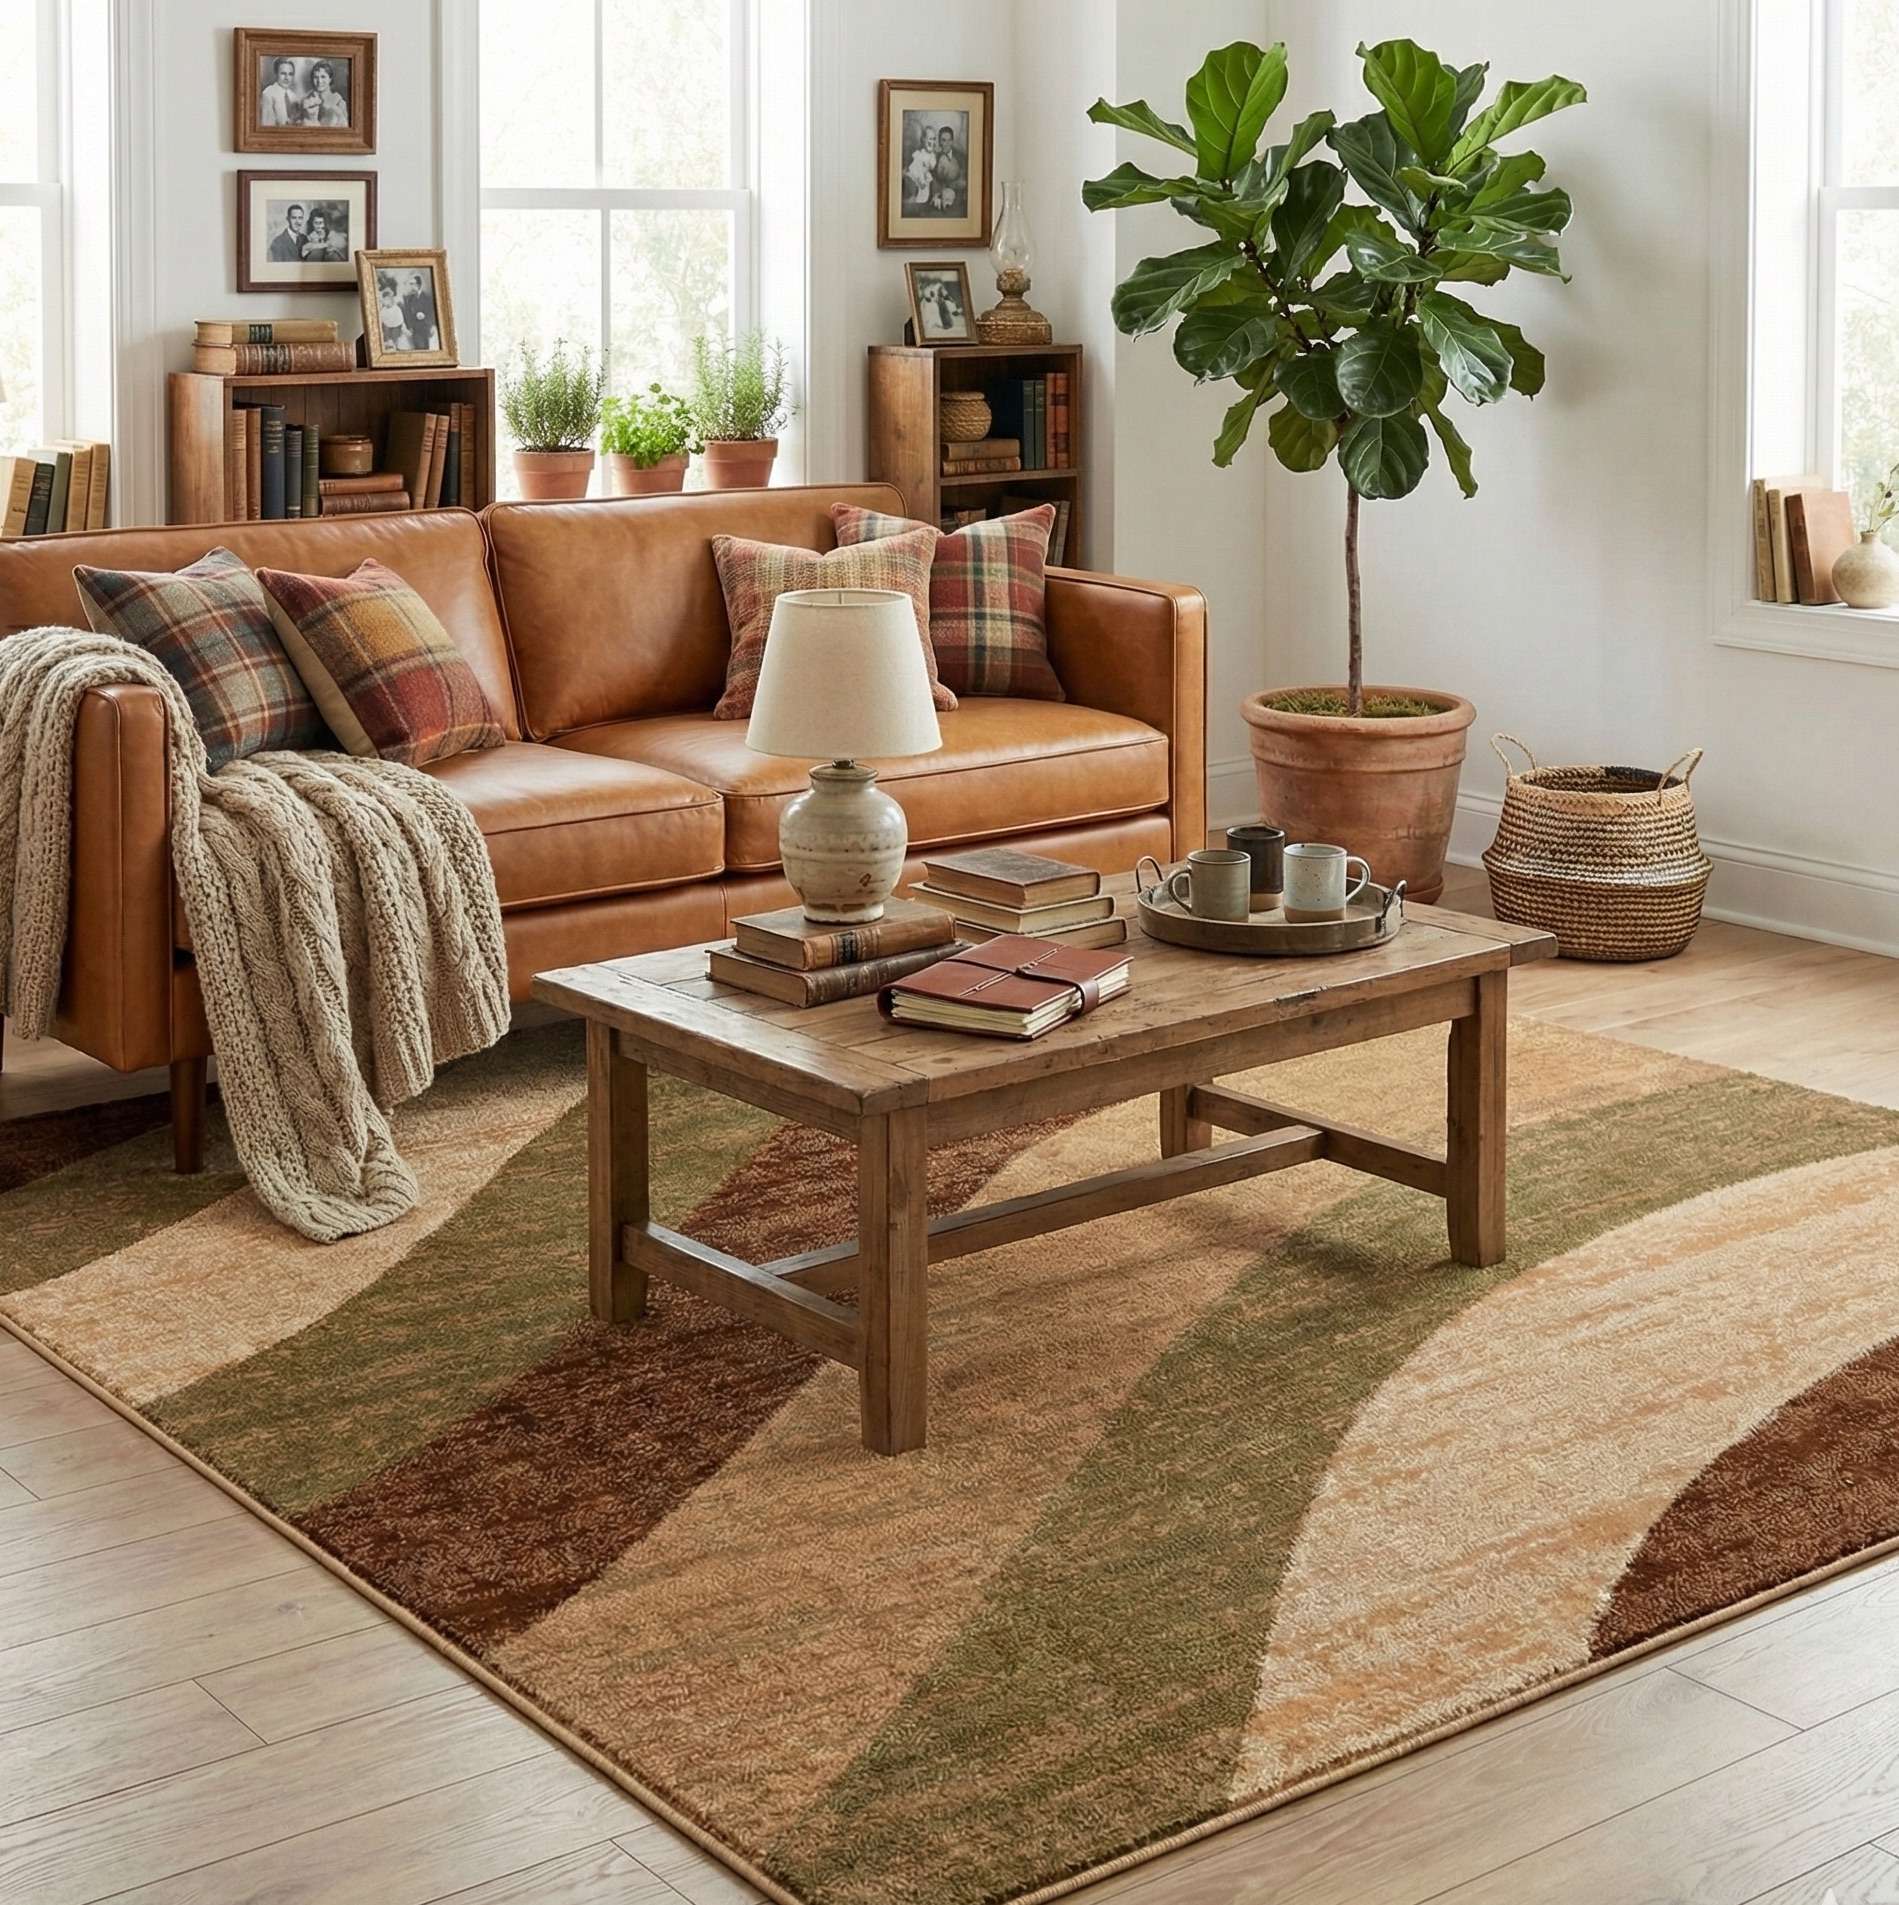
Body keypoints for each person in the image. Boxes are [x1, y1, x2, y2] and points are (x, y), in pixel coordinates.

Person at [401, 271, 439, 351]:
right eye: (410, 284)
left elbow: (432, 313)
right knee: (419, 349)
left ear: (418, 285)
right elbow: (407, 314)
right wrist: (410, 327)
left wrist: (431, 325)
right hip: (415, 330)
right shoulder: (409, 299)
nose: (411, 286)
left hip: (426, 328)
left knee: (426, 349)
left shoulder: (427, 298)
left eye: (412, 284)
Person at [931, 124, 964, 214]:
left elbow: (963, 181)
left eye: (949, 140)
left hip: (958, 198)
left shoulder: (961, 157)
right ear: (939, 142)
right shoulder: (935, 157)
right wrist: (937, 194)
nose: (946, 144)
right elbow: (934, 179)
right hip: (939, 198)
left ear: (952, 141)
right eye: (943, 140)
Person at [906, 125, 939, 207]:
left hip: (925, 179)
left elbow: (932, 168)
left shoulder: (932, 156)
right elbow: (914, 170)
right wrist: (920, 180)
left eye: (934, 139)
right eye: (930, 139)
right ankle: (913, 197)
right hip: (915, 178)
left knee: (924, 195)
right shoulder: (919, 154)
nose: (932, 142)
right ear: (923, 139)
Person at [260, 57, 299, 126]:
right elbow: (267, 125)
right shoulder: (268, 93)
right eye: (283, 73)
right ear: (276, 73)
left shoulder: (293, 96)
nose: (287, 78)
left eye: (290, 74)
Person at [311, 62, 348, 127]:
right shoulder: (309, 100)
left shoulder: (339, 102)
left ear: (330, 79)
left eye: (323, 77)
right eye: (316, 77)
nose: (319, 81)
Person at [377, 277, 410, 352]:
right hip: (387, 326)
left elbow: (401, 319)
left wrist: (404, 327)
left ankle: (395, 346)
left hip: (397, 325)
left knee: (396, 337)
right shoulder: (383, 307)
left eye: (391, 292)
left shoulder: (397, 306)